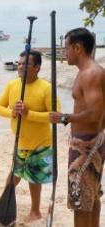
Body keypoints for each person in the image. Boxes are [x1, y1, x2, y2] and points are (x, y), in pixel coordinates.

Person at [0, 50, 60, 222]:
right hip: (20, 141)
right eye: (19, 63)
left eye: (25, 64)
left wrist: (29, 113)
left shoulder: (46, 88)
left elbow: (55, 115)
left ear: (37, 67)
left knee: (34, 177)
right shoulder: (13, 86)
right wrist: (12, 112)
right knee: (15, 172)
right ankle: (4, 198)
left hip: (40, 143)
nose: (20, 67)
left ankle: (35, 210)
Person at [50, 27, 105, 227]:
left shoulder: (90, 74)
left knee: (81, 202)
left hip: (86, 145)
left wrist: (64, 117)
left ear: (78, 47)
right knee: (91, 197)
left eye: (66, 48)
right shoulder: (90, 71)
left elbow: (95, 113)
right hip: (94, 141)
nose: (65, 52)